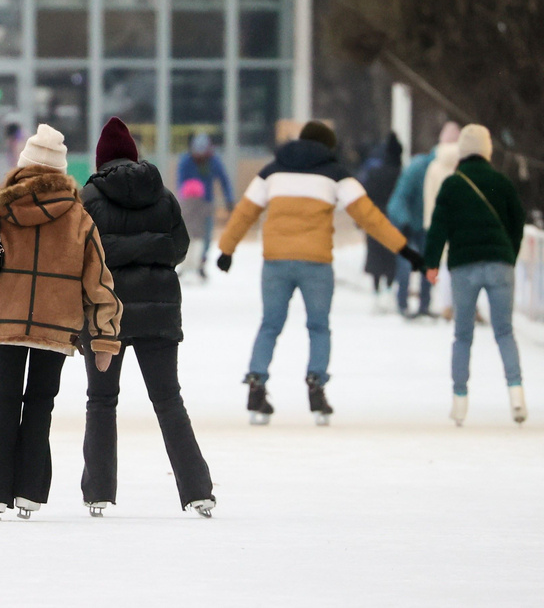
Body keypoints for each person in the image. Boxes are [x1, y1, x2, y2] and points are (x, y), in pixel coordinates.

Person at [0, 123, 122, 521]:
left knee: (3, 402)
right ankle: (29, 493)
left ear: (23, 165)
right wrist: (105, 337)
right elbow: (99, 282)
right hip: (57, 325)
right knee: (40, 405)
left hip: (6, 321)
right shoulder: (79, 218)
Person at [217, 121, 424, 426]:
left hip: (276, 261)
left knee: (270, 324)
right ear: (328, 146)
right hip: (315, 263)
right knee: (318, 327)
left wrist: (227, 249)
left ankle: (256, 383)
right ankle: (316, 384)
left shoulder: (272, 171)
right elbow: (371, 218)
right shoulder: (336, 174)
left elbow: (245, 212)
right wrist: (405, 250)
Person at [79, 118, 215, 518]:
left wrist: (115, 254)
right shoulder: (164, 195)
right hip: (159, 312)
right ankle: (198, 491)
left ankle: (98, 492)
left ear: (102, 160)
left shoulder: (89, 198)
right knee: (169, 400)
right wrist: (150, 249)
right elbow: (179, 248)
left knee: (101, 400)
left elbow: (82, 254)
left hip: (105, 313)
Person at [423, 124, 527, 426]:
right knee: (504, 332)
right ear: (487, 150)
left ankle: (459, 401)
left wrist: (431, 263)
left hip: (464, 266)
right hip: (500, 264)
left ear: (463, 151)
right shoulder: (501, 182)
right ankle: (517, 395)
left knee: (462, 335)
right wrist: (509, 253)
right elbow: (518, 221)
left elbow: (439, 226)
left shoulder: (453, 184)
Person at [388, 122, 460, 318]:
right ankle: (403, 304)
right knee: (406, 263)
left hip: (428, 225)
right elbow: (399, 197)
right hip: (409, 222)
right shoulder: (419, 166)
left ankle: (424, 305)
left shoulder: (453, 168)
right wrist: (404, 222)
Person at [176, 133, 235, 278]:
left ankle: (201, 263)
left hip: (207, 202)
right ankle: (184, 263)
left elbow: (224, 180)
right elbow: (180, 182)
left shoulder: (214, 161)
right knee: (187, 232)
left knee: (206, 234)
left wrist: (229, 199)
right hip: (189, 203)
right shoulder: (186, 160)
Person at [424, 135, 466, 321]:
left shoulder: (434, 167)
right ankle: (463, 305)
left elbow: (429, 196)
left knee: (442, 264)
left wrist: (429, 222)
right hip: (460, 223)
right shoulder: (462, 168)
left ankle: (446, 306)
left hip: (439, 221)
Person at [360, 133, 404, 309]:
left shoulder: (374, 173)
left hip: (374, 218)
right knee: (391, 255)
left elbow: (364, 197)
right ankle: (389, 290)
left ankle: (376, 291)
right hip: (394, 219)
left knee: (375, 255)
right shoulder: (400, 174)